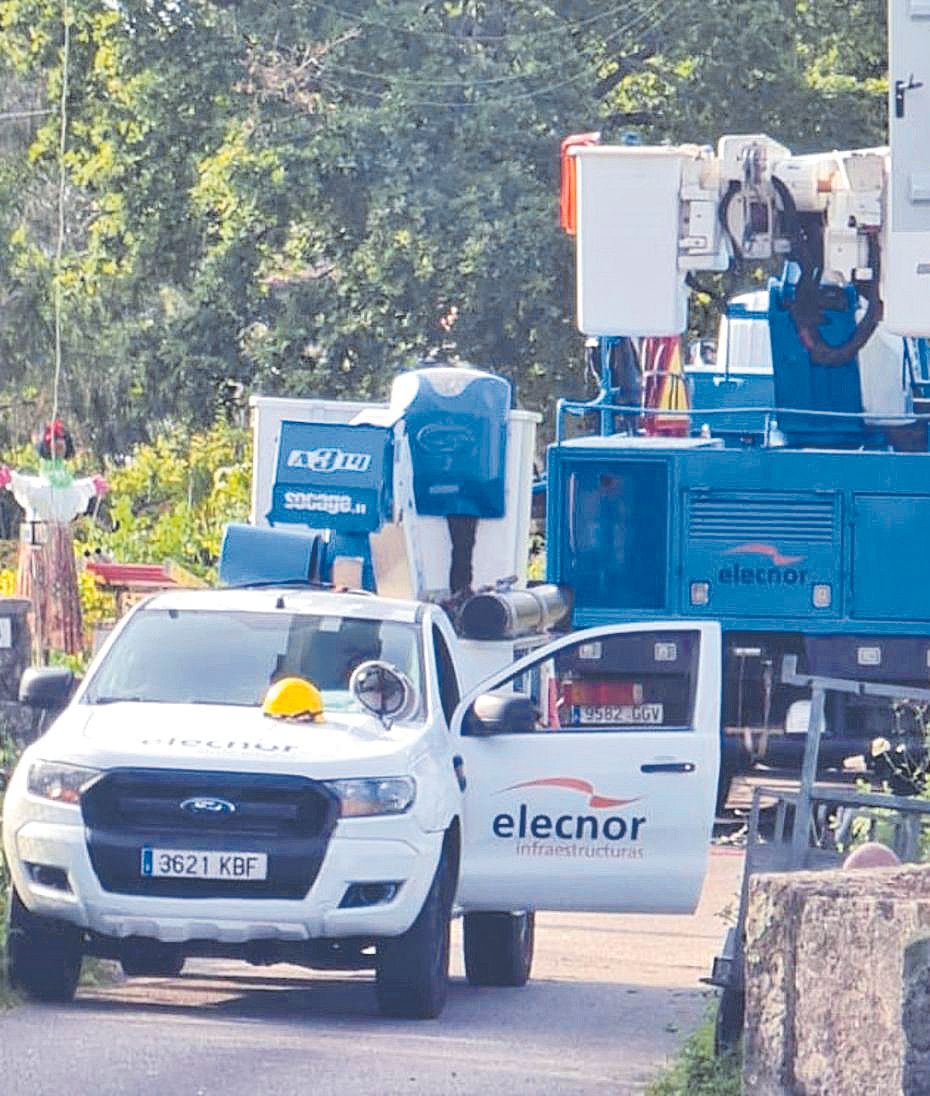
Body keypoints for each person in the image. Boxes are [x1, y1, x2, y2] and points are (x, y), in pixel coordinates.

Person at [0, 421, 108, 658]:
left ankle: (54, 650)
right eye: (52, 441)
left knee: (59, 592)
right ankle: (36, 650)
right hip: (37, 542)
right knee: (36, 592)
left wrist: (95, 486)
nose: (57, 445)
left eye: (61, 440)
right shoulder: (35, 484)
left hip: (60, 543)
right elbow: (19, 483)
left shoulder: (69, 484)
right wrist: (8, 478)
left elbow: (83, 489)